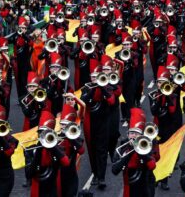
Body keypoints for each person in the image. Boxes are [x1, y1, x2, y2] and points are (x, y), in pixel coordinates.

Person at [80, 59, 115, 189]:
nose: (95, 79)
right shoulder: (86, 88)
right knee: (92, 150)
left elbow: (111, 101)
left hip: (103, 123)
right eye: (93, 77)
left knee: (101, 150)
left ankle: (101, 177)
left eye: (97, 76)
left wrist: (102, 88)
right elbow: (84, 101)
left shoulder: (108, 87)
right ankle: (95, 173)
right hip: (90, 123)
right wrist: (93, 89)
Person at [112, 108, 158, 197]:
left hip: (146, 187)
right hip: (129, 188)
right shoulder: (123, 147)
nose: (133, 135)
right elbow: (115, 170)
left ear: (141, 136)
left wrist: (139, 150)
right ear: (128, 135)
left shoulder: (146, 146)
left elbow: (152, 165)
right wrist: (129, 153)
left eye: (137, 133)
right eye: (131, 133)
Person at [27, 111, 70, 197]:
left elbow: (66, 162)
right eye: (40, 132)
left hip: (52, 190)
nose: (42, 135)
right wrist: (39, 148)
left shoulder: (58, 149)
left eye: (45, 132)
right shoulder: (30, 149)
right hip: (37, 191)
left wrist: (52, 145)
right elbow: (29, 174)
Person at [58, 104, 85, 197]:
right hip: (58, 174)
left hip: (71, 174)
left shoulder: (76, 139)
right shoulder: (55, 138)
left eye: (65, 124)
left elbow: (81, 151)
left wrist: (70, 138)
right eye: (61, 123)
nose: (62, 126)